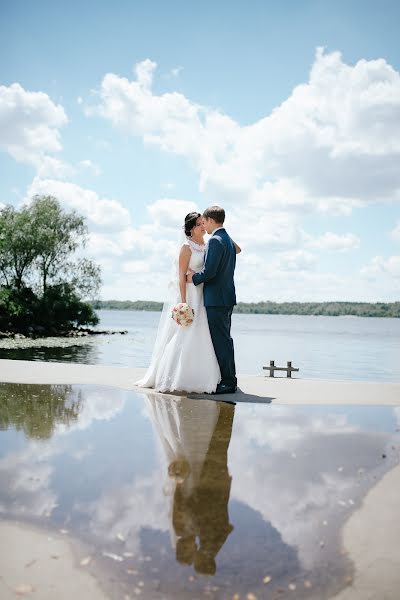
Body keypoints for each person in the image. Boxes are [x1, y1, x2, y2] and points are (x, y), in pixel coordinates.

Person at [135, 212, 219, 393]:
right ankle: (176, 375)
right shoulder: (186, 247)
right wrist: (183, 303)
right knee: (185, 332)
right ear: (190, 229)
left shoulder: (206, 245)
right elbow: (181, 276)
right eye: (199, 224)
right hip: (189, 293)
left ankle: (201, 375)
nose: (203, 227)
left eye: (203, 223)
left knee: (201, 332)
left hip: (202, 293)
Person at [187, 206, 238, 394]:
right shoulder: (227, 240)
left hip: (217, 299)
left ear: (210, 220)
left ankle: (228, 381)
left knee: (221, 340)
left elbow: (210, 272)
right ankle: (229, 378)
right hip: (226, 297)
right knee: (225, 339)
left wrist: (193, 278)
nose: (203, 226)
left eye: (204, 222)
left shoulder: (216, 241)